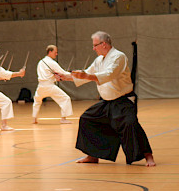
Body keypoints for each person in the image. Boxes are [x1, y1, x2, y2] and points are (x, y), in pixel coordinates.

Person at [55, 31, 156, 167]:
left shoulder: (118, 57)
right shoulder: (99, 60)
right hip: (106, 102)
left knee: (130, 125)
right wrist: (64, 76)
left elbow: (108, 75)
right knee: (87, 119)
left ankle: (148, 156)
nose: (93, 48)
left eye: (95, 45)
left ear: (103, 44)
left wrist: (85, 76)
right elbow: (87, 73)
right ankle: (93, 156)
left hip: (123, 101)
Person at [32, 45, 73, 124]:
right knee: (65, 98)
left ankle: (34, 119)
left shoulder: (40, 62)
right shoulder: (51, 62)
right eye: (55, 52)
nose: (56, 54)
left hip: (40, 86)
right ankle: (63, 119)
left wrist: (55, 77)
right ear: (50, 52)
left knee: (37, 101)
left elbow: (46, 74)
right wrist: (74, 74)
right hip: (49, 86)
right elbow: (63, 73)